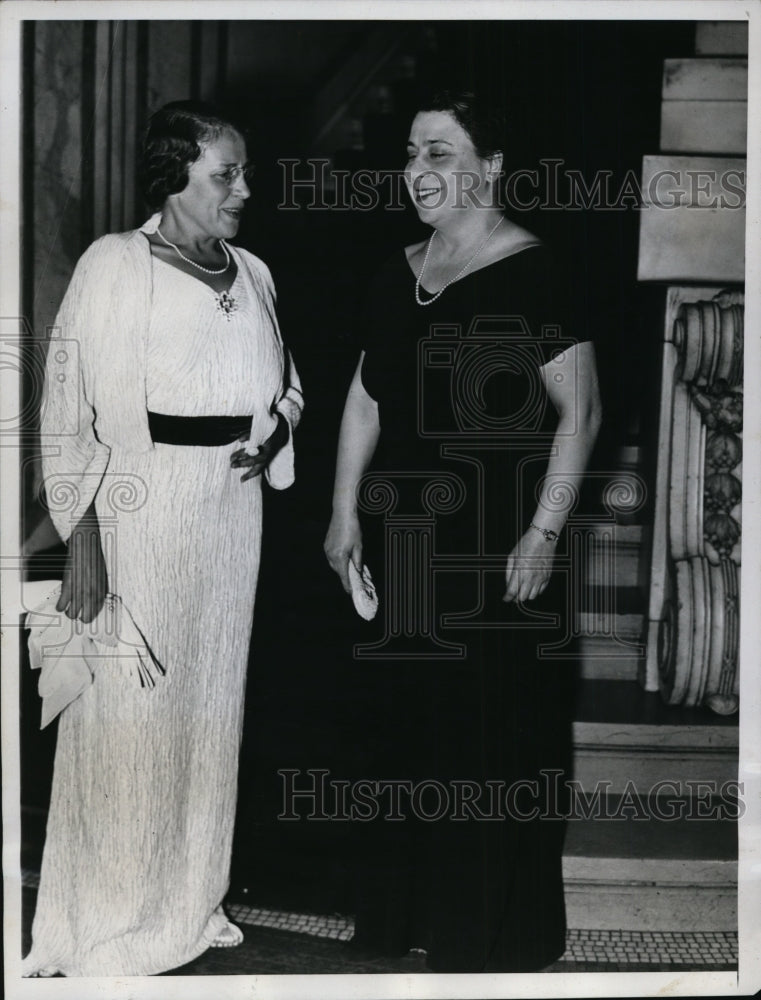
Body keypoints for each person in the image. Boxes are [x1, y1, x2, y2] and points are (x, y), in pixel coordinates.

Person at [23, 101, 303, 977]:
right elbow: (69, 411)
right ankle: (104, 919)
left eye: (244, 173)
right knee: (127, 721)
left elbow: (289, 383)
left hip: (230, 518)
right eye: (227, 174)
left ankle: (189, 902)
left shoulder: (251, 270)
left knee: (211, 710)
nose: (244, 190)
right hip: (138, 516)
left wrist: (277, 433)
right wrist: (85, 539)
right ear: (173, 174)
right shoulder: (117, 265)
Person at [324, 90, 602, 972]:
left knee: (489, 743)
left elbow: (581, 413)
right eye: (411, 153)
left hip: (494, 543)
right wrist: (340, 514)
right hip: (403, 540)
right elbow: (366, 395)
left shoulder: (535, 270)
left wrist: (542, 535)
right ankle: (403, 920)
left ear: (492, 168)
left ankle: (484, 940)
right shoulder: (393, 268)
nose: (417, 171)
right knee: (404, 736)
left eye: (440, 153)